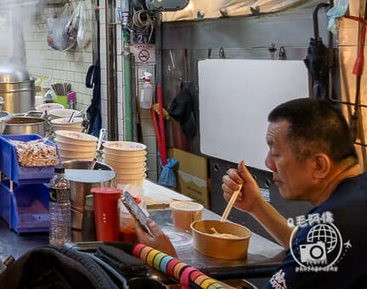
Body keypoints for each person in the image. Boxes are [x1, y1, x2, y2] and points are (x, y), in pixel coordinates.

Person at [135, 98, 367, 289]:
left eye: (276, 153)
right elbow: (300, 242)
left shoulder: (337, 225)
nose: (268, 163)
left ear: (319, 165)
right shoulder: (355, 198)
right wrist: (256, 205)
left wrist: (172, 263)